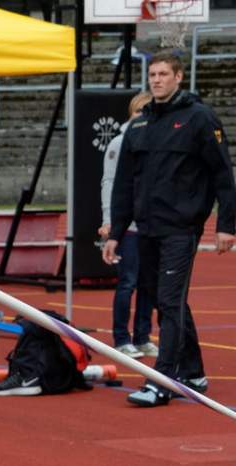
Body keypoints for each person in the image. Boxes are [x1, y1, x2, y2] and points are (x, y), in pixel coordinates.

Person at [105, 52, 236, 407]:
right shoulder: (140, 125)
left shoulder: (199, 118)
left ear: (178, 77)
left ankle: (164, 380)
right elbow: (124, 185)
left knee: (168, 301)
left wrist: (226, 225)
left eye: (163, 74)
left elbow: (223, 174)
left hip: (181, 228)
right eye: (152, 74)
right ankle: (194, 372)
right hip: (146, 229)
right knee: (168, 301)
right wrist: (116, 232)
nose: (157, 80)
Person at [99, 91, 156, 360]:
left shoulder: (158, 141)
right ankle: (121, 338)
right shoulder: (119, 143)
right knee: (127, 282)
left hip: (152, 226)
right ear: (131, 114)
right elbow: (109, 182)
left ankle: (142, 337)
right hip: (128, 226)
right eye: (138, 111)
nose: (142, 116)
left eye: (147, 111)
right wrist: (108, 220)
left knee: (147, 283)